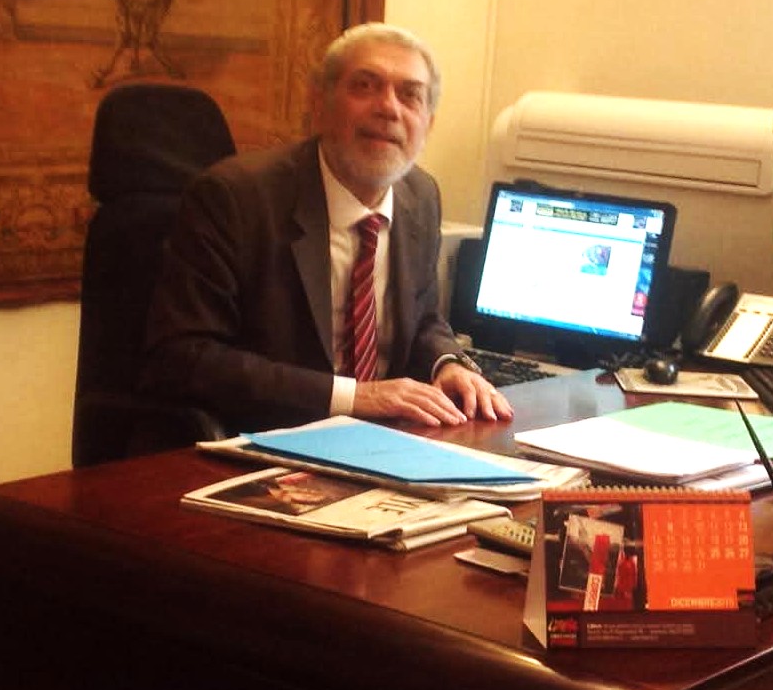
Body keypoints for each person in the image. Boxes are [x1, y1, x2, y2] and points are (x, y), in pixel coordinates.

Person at [140, 22, 512, 433]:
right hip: (265, 439)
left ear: (429, 121)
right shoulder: (236, 198)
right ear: (319, 103)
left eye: (410, 95)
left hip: (386, 440)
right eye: (365, 86)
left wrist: (448, 362)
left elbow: (422, 319)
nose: (389, 108)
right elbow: (183, 357)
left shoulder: (420, 197)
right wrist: (353, 397)